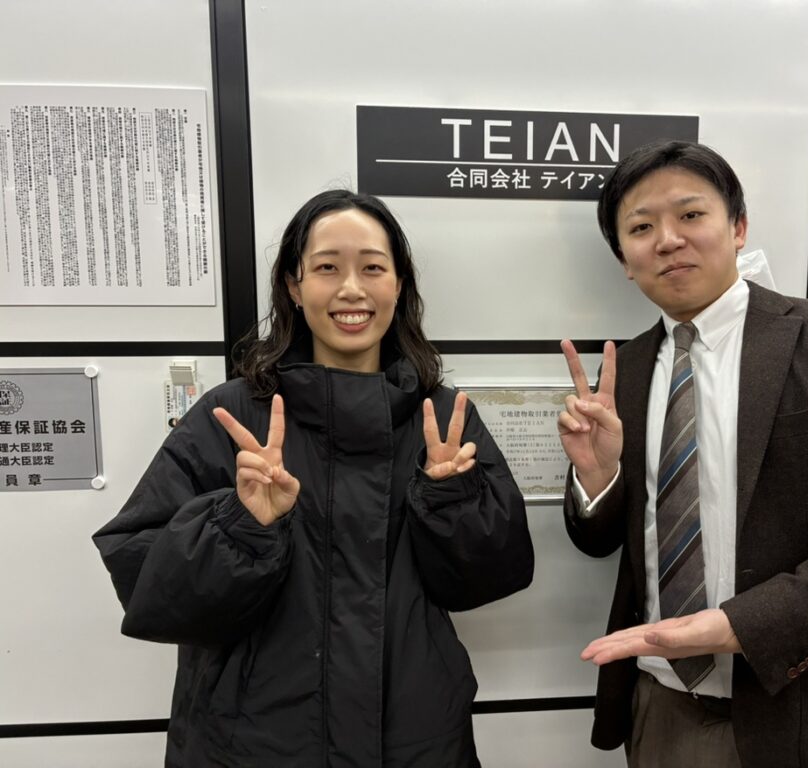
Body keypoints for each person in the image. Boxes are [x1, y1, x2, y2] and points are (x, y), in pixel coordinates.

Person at [93, 190, 534, 768]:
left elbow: (492, 577)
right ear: (294, 287)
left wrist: (451, 502)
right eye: (327, 268)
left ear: (399, 285)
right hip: (251, 743)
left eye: (372, 268)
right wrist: (241, 526)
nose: (352, 289)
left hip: (414, 734)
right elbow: (141, 574)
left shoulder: (441, 417)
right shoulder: (233, 414)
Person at [558, 141, 808, 768]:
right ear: (625, 260)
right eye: (641, 228)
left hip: (806, 706)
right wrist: (598, 482)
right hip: (661, 707)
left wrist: (741, 625)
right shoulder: (621, 371)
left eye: (691, 215)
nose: (668, 240)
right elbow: (602, 542)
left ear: (737, 227)